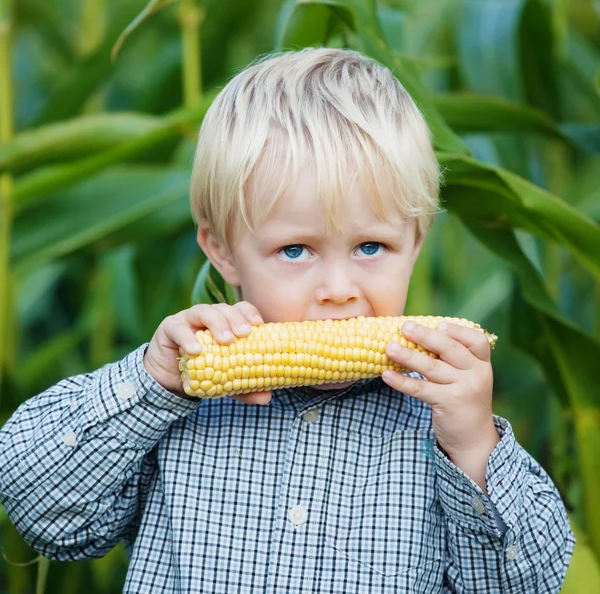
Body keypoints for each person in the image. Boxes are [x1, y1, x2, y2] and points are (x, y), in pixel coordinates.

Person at [0, 48, 575, 593]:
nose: (339, 291)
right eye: (295, 250)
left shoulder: (444, 432)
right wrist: (151, 384)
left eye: (371, 247)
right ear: (223, 250)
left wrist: (474, 447)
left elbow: (526, 581)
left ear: (417, 240)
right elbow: (42, 507)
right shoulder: (172, 412)